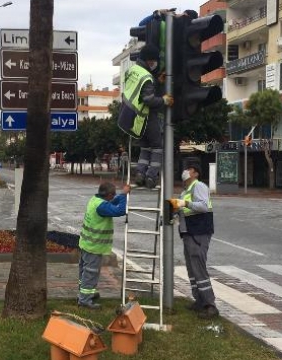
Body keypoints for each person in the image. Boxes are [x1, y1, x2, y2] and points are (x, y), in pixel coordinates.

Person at [117, 44, 174, 189]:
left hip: (131, 118)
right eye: (154, 61)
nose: (155, 64)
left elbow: (139, 88)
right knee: (157, 147)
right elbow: (148, 99)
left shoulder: (133, 71)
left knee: (145, 147)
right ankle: (151, 176)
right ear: (150, 61)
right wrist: (164, 100)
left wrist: (156, 81)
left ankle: (140, 174)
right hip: (146, 117)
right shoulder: (147, 77)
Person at [169, 164, 218, 319]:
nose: (185, 171)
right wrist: (175, 212)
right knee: (192, 269)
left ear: (195, 173)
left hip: (199, 233)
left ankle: (210, 305)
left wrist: (185, 204)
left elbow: (203, 206)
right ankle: (199, 300)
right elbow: (185, 211)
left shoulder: (199, 186)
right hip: (188, 233)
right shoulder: (185, 191)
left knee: (199, 268)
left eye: (189, 169)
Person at [78, 182, 131, 309]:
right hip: (94, 246)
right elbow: (120, 210)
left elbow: (111, 203)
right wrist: (123, 195)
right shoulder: (101, 207)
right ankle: (84, 300)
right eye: (112, 195)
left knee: (85, 272)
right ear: (108, 195)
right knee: (91, 273)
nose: (113, 198)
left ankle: (85, 293)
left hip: (86, 243)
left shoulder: (95, 200)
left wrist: (120, 196)